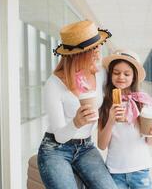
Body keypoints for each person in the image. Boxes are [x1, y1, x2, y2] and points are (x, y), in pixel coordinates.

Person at [37, 20, 117, 189]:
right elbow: (60, 136)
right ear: (77, 54)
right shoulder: (54, 84)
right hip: (55, 149)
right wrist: (76, 122)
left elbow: (123, 76)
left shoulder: (99, 73)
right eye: (92, 48)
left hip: (86, 147)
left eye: (98, 45)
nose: (98, 51)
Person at [98, 49, 152, 189]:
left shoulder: (142, 102)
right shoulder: (105, 105)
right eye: (116, 72)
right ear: (110, 75)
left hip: (140, 169)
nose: (121, 77)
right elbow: (101, 145)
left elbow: (150, 142)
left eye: (127, 74)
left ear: (134, 77)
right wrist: (110, 120)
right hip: (115, 171)